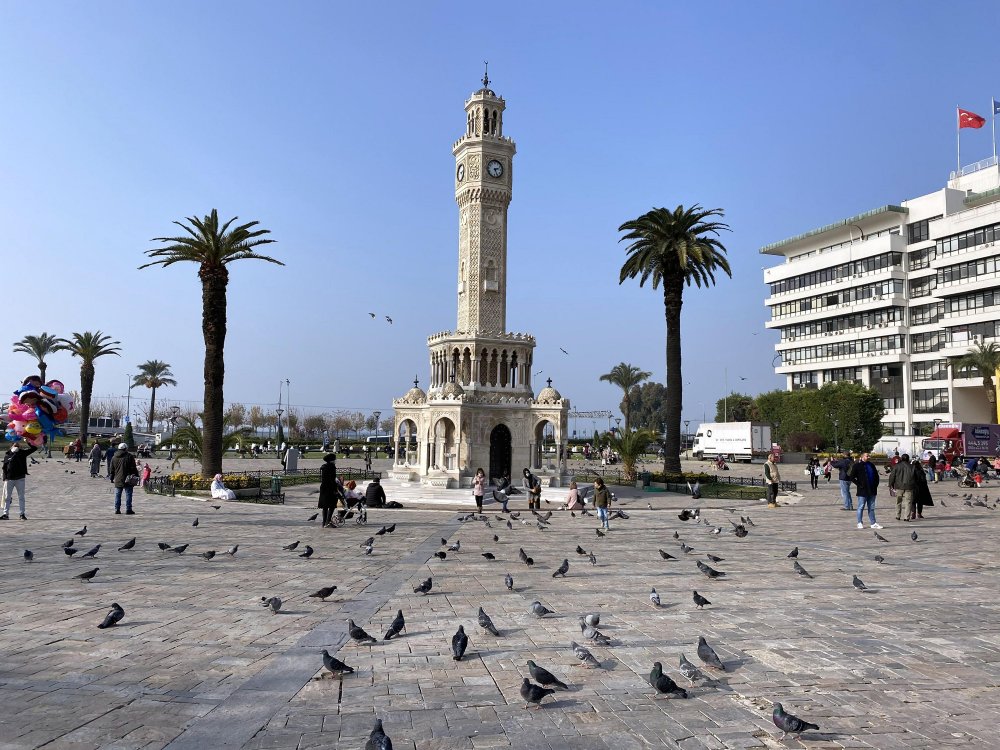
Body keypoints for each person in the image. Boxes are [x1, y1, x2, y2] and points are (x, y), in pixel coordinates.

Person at [1, 441, 37, 520]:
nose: (16, 444)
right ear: (11, 445)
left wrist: (28, 441)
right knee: (7, 497)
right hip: (9, 479)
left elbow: (34, 448)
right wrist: (5, 478)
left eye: (18, 443)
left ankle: (22, 514)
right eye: (14, 443)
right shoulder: (8, 454)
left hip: (20, 478)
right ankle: (5, 514)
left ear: (20, 446)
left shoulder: (22, 453)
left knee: (21, 497)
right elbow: (4, 467)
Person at [849, 450, 882, 530]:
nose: (869, 457)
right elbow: (851, 477)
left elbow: (876, 476)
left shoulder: (871, 465)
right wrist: (859, 484)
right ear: (862, 457)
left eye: (869, 456)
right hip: (863, 490)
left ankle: (873, 523)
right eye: (867, 456)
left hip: (872, 490)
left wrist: (876, 484)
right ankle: (859, 522)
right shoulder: (857, 466)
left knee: (871, 507)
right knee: (861, 506)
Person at [110, 442, 139, 515]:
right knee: (128, 494)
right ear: (125, 448)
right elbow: (133, 467)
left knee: (117, 494)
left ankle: (117, 509)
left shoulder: (114, 457)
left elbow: (111, 469)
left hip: (118, 478)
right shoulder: (129, 456)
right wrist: (136, 475)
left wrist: (111, 477)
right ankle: (128, 509)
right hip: (128, 478)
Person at [888, 452, 917, 522]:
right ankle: (906, 517)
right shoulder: (912, 467)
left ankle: (898, 515)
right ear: (908, 459)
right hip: (909, 486)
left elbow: (892, 476)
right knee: (908, 502)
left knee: (898, 501)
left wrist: (890, 484)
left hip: (899, 486)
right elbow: (916, 477)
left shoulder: (897, 466)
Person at [318, 454, 343, 527]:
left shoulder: (324, 467)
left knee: (325, 506)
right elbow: (331, 479)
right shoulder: (331, 467)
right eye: (335, 459)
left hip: (323, 488)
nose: (335, 460)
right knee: (332, 505)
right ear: (332, 460)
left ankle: (324, 522)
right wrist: (335, 489)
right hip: (330, 488)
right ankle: (328, 522)